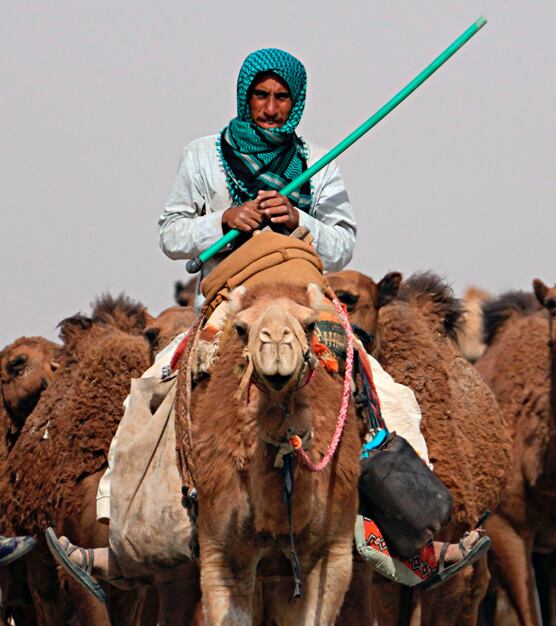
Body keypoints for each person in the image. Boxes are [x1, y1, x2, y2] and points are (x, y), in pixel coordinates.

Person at [46, 48, 488, 601]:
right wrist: (222, 220)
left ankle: (406, 534)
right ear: (244, 96)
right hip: (230, 301)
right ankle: (128, 538)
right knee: (153, 392)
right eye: (262, 96)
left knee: (385, 391)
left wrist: (298, 218)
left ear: (296, 102)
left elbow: (344, 241)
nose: (271, 108)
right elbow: (170, 234)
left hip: (308, 301)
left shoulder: (320, 161)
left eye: (282, 98)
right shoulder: (203, 157)